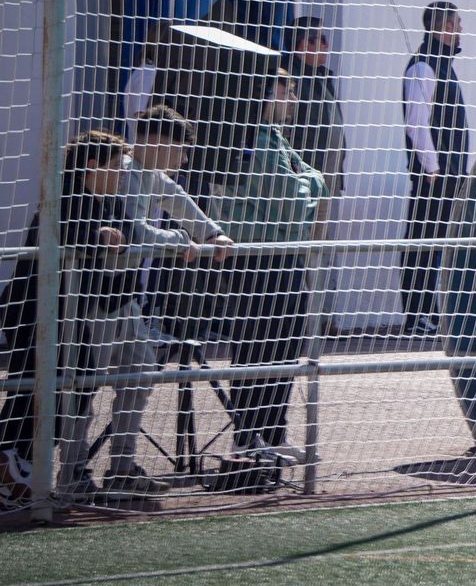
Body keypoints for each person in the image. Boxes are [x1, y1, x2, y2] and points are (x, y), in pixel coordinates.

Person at [63, 106, 234, 499]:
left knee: (140, 375)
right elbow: (131, 229)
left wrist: (212, 234)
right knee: (82, 389)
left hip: (125, 298)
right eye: (180, 148)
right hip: (92, 298)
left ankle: (121, 468)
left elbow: (177, 200)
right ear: (155, 142)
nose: (184, 158)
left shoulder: (149, 174)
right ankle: (71, 476)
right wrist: (181, 243)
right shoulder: (118, 172)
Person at [1, 131, 139, 504]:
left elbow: (130, 234)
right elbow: (71, 232)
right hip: (35, 315)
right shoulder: (66, 198)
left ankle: (18, 469)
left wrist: (118, 237)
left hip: (70, 317)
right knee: (30, 390)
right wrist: (101, 235)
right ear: (91, 167)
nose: (121, 175)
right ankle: (14, 470)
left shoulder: (108, 203)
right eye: (114, 167)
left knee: (75, 389)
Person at [209, 69, 325, 464]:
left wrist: (306, 183)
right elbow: (294, 203)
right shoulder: (252, 138)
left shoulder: (276, 138)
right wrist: (307, 184)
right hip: (258, 258)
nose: (293, 100)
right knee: (256, 346)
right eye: (286, 91)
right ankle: (247, 435)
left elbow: (313, 181)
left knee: (285, 346)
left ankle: (271, 433)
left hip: (280, 254)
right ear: (262, 93)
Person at [401, 0, 468, 336]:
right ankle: (416, 316)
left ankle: (429, 311)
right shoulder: (424, 66)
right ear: (442, 27)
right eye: (456, 24)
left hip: (447, 174)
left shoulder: (442, 64)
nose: (460, 30)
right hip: (435, 177)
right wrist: (433, 168)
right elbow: (417, 124)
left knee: (438, 243)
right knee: (423, 241)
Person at [284, 16, 346, 205]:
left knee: (319, 232)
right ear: (303, 44)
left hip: (324, 177)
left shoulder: (321, 76)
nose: (327, 44)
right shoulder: (290, 79)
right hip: (304, 180)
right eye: (321, 38)